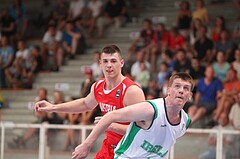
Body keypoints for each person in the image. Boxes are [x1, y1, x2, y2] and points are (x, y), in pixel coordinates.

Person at [34, 44, 146, 159]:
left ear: (121, 63)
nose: (109, 65)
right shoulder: (98, 86)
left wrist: (110, 125)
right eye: (105, 61)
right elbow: (85, 104)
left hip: (130, 150)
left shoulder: (131, 91)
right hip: (109, 147)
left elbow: (144, 131)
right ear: (100, 64)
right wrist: (53, 107)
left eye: (113, 61)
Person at [68, 72, 194, 159]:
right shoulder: (150, 109)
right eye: (177, 86)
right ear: (168, 90)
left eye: (186, 88)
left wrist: (114, 127)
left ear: (190, 96)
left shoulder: (185, 122)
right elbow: (110, 115)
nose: (181, 90)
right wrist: (86, 145)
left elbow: (147, 133)